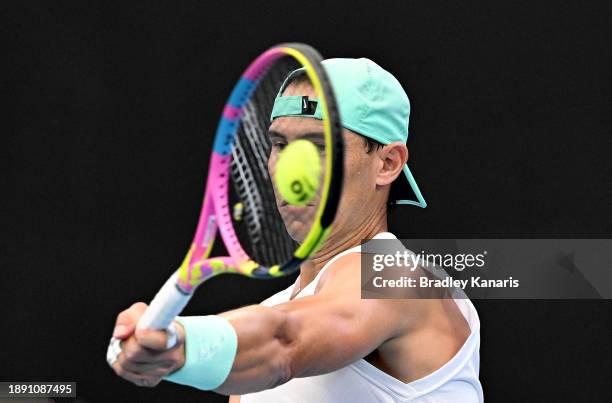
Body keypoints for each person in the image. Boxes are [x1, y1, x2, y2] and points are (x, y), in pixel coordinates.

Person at [109, 58, 483, 402]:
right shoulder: (265, 320)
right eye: (280, 144)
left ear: (386, 163)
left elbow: (284, 341)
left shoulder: (396, 277)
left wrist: (180, 345)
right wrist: (170, 342)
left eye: (319, 146)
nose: (290, 170)